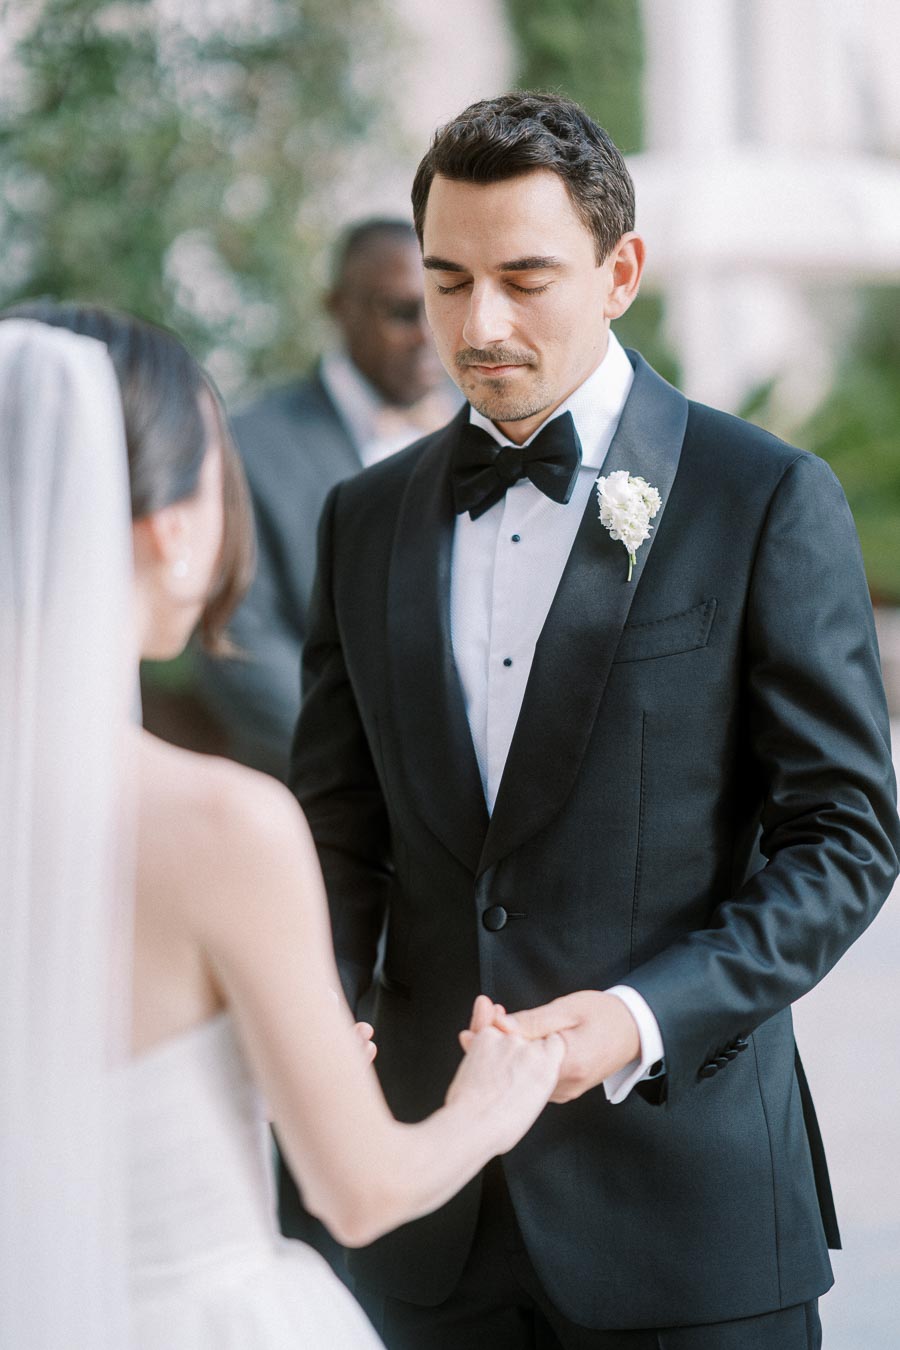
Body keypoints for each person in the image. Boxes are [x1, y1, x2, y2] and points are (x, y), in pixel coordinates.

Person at [289, 91, 900, 1349]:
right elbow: (338, 826)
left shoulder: (766, 495)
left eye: (526, 277)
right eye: (448, 281)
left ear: (621, 271)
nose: (480, 323)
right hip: (429, 1216)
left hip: (692, 1219)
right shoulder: (366, 517)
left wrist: (634, 1018)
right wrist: (327, 1006)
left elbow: (844, 839)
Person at [0, 307, 564, 1350]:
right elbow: (360, 1194)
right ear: (168, 529)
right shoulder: (220, 826)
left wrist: (212, 1098)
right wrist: (490, 1101)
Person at [195, 217, 455, 779]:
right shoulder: (251, 446)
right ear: (338, 307)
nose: (430, 335)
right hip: (328, 809)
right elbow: (235, 639)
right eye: (403, 312)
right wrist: (369, 769)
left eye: (444, 305)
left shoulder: (488, 425)